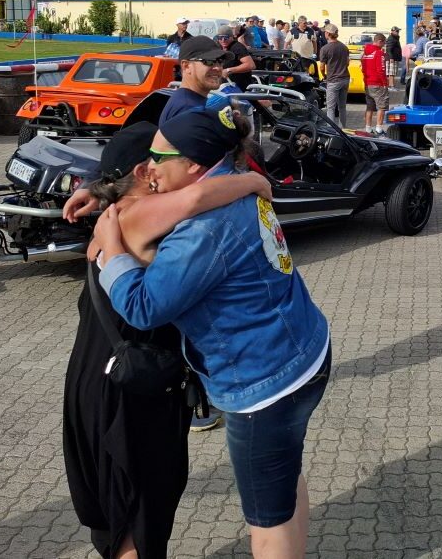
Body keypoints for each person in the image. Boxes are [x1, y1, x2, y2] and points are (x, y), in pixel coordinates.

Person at [93, 108, 330, 559]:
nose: (150, 169)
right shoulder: (235, 181)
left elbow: (144, 308)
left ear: (195, 166)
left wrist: (110, 255)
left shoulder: (203, 228)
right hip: (304, 350)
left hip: (264, 385)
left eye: (159, 158)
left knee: (266, 521)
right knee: (283, 476)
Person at [64, 122, 270, 559]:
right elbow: (198, 196)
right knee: (140, 512)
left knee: (122, 506)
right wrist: (253, 180)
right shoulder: (143, 216)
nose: (169, 168)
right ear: (143, 172)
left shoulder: (114, 214)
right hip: (132, 389)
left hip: (94, 376)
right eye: (161, 160)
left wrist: (97, 192)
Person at [159, 36, 231, 124]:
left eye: (220, 61)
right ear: (186, 66)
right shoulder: (188, 110)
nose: (218, 68)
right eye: (209, 61)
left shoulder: (189, 101)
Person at [318, 23, 351, 127]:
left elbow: (322, 67)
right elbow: (347, 63)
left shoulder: (325, 49)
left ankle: (331, 131)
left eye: (325, 32)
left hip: (333, 80)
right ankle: (343, 128)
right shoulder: (344, 47)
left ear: (328, 33)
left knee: (331, 108)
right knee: (342, 107)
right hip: (345, 78)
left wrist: (324, 75)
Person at [362, 33, 389, 134]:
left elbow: (363, 69)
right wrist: (385, 83)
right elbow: (381, 69)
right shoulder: (378, 53)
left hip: (368, 83)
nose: (384, 45)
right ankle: (379, 128)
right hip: (378, 83)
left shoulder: (365, 53)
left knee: (369, 107)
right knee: (381, 106)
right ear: (379, 41)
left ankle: (368, 128)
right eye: (384, 43)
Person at [217, 25, 257, 93]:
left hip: (240, 88)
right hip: (224, 87)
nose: (223, 40)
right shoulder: (218, 47)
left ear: (231, 37)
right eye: (220, 37)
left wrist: (228, 70)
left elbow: (251, 65)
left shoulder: (237, 47)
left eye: (226, 37)